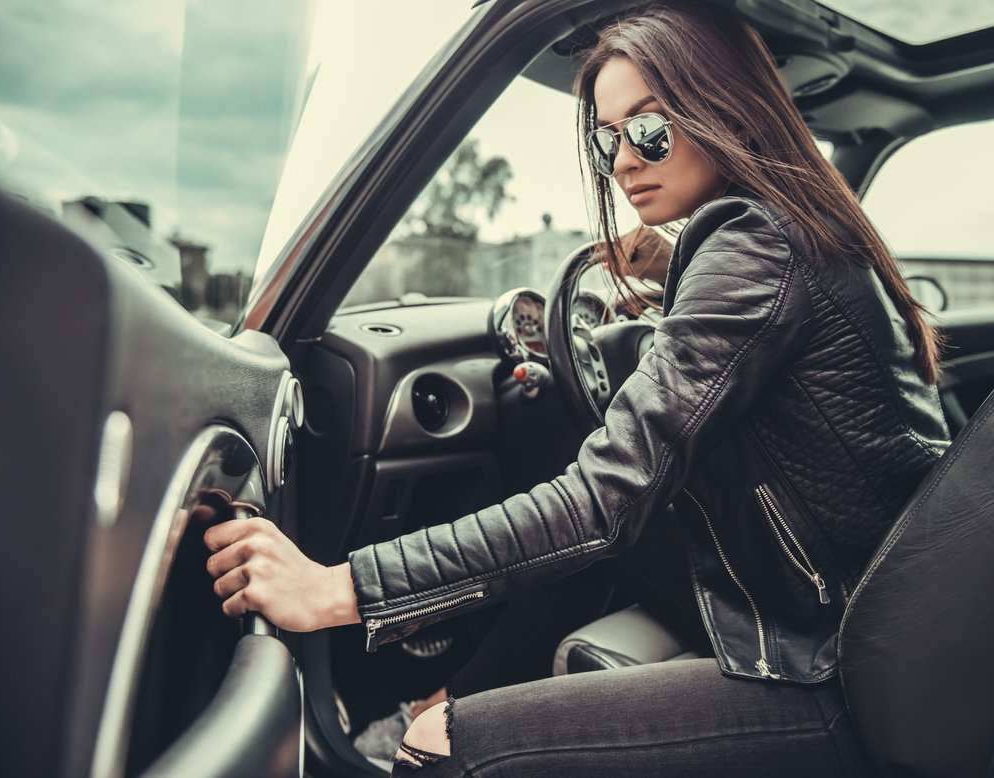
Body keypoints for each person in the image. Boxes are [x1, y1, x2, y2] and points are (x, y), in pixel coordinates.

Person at [203, 3, 950, 774]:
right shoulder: (796, 228)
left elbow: (599, 501)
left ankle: (426, 726)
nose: (625, 160)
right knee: (595, 551)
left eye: (651, 129)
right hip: (867, 617)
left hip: (830, 670)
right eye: (607, 137)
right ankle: (440, 695)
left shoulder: (755, 246)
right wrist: (671, 266)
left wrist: (337, 587)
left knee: (441, 753)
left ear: (725, 109)